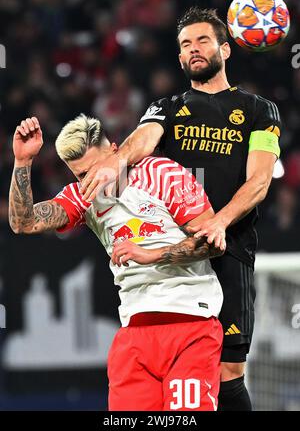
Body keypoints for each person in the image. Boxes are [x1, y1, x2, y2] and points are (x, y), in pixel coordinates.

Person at [78, 7, 282, 411]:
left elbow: (259, 181)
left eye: (203, 40)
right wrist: (118, 161)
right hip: (176, 256)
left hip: (231, 245)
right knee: (177, 378)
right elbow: (141, 140)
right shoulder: (168, 107)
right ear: (179, 58)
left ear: (226, 48)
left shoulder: (259, 110)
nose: (194, 49)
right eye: (186, 44)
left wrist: (220, 222)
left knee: (226, 373)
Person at [9, 114, 225, 411]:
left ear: (114, 150)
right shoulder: (83, 197)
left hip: (189, 323)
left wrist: (151, 254)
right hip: (133, 333)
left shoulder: (162, 173)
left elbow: (213, 243)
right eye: (80, 176)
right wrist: (23, 162)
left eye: (94, 170)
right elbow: (24, 223)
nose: (89, 182)